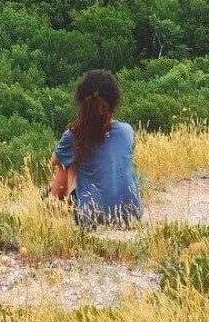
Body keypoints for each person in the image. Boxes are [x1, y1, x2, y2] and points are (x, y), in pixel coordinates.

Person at [48, 69, 142, 227]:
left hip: (92, 217)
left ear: (81, 102)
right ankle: (51, 204)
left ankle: (50, 205)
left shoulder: (73, 136)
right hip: (130, 215)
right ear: (114, 101)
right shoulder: (127, 131)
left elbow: (54, 161)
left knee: (67, 164)